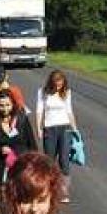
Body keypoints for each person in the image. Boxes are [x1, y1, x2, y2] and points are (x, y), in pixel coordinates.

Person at [32, 70, 77, 200]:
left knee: (64, 160)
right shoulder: (42, 92)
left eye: (61, 84)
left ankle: (63, 191)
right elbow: (39, 111)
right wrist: (38, 128)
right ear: (51, 82)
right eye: (56, 84)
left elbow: (69, 111)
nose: (58, 86)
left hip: (65, 127)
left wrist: (75, 129)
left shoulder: (66, 92)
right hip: (49, 128)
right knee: (49, 161)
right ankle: (48, 189)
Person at [0, 89, 37, 189]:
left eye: (8, 105)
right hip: (1, 165)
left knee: (19, 191)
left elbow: (31, 142)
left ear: (13, 104)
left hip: (20, 163)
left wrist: (35, 161)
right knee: (4, 194)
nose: (5, 109)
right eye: (1, 105)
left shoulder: (22, 119)